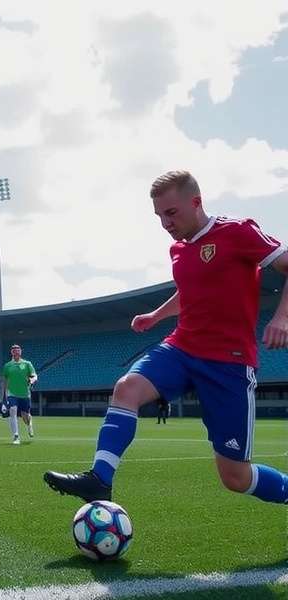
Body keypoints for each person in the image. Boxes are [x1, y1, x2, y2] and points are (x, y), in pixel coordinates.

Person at [44, 170, 288, 505]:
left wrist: (282, 316)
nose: (165, 223)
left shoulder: (237, 231)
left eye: (171, 213)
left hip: (228, 363)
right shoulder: (178, 250)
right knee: (126, 388)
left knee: (236, 477)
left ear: (196, 202)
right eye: (159, 216)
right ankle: (99, 480)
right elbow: (190, 291)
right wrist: (157, 315)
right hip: (182, 347)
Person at [0, 344, 38, 445]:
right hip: (12, 393)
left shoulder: (27, 364)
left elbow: (34, 376)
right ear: (11, 352)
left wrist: (32, 380)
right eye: (14, 350)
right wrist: (4, 397)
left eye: (18, 349)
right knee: (12, 411)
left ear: (20, 351)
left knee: (25, 417)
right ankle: (16, 436)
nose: (16, 351)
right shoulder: (7, 366)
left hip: (25, 394)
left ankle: (29, 425)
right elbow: (5, 381)